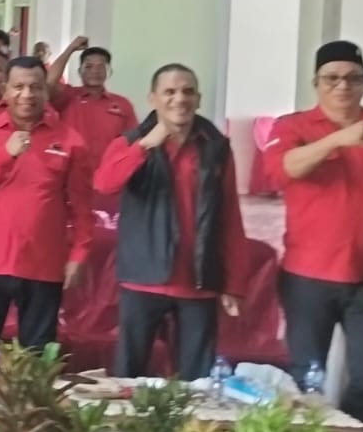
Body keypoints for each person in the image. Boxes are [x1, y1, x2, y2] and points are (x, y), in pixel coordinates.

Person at [93, 64, 247, 381]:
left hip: (198, 281)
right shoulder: (130, 141)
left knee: (197, 382)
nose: (180, 99)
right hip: (143, 277)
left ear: (199, 98)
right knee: (128, 377)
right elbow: (104, 184)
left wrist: (233, 283)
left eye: (188, 92)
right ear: (153, 98)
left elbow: (229, 215)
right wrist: (145, 146)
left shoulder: (216, 146)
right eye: (170, 92)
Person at [264, 40, 363, 425]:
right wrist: (339, 139)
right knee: (306, 378)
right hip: (307, 277)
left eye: (353, 78)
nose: (342, 86)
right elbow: (283, 169)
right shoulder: (292, 126)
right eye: (332, 78)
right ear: (316, 83)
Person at [0, 56, 93, 360]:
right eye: (18, 87)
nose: (27, 94)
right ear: (5, 89)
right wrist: (5, 153)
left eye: (35, 87)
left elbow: (83, 207)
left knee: (37, 357)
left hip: (42, 264)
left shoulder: (70, 141)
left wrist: (79, 255)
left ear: (46, 91)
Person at [48, 38, 138, 209]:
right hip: (70, 182)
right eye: (89, 66)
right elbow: (49, 83)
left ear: (109, 71)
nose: (95, 71)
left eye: (101, 66)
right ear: (79, 71)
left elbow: (133, 146)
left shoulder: (122, 104)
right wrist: (70, 49)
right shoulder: (68, 96)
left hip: (109, 186)